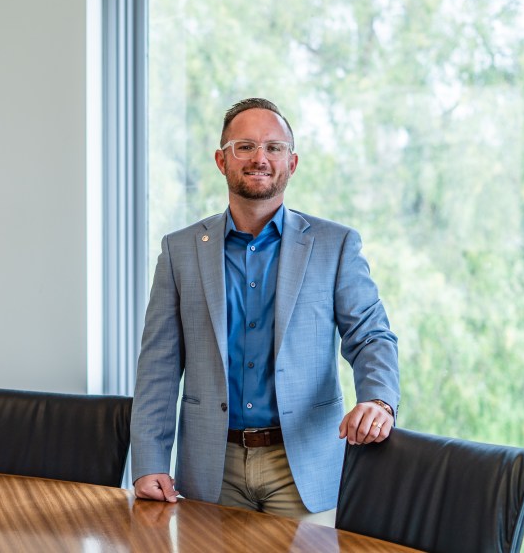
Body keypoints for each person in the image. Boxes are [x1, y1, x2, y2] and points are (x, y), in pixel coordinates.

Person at [130, 97, 399, 524]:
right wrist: (148, 461)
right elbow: (158, 366)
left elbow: (371, 337)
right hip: (210, 468)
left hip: (303, 465)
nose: (261, 158)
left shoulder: (335, 245)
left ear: (292, 163)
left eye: (275, 148)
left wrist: (379, 401)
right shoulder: (179, 251)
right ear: (222, 160)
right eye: (245, 146)